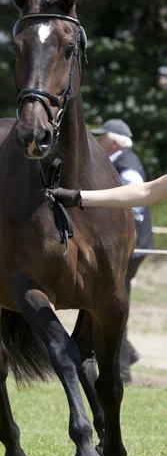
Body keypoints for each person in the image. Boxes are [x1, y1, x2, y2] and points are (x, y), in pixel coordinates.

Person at [48, 119, 155, 383]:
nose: (98, 142)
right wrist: (78, 197)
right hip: (121, 243)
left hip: (128, 245)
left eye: (103, 137)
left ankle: (122, 365)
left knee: (114, 304)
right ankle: (123, 356)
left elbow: (137, 203)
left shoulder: (126, 164)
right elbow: (145, 191)